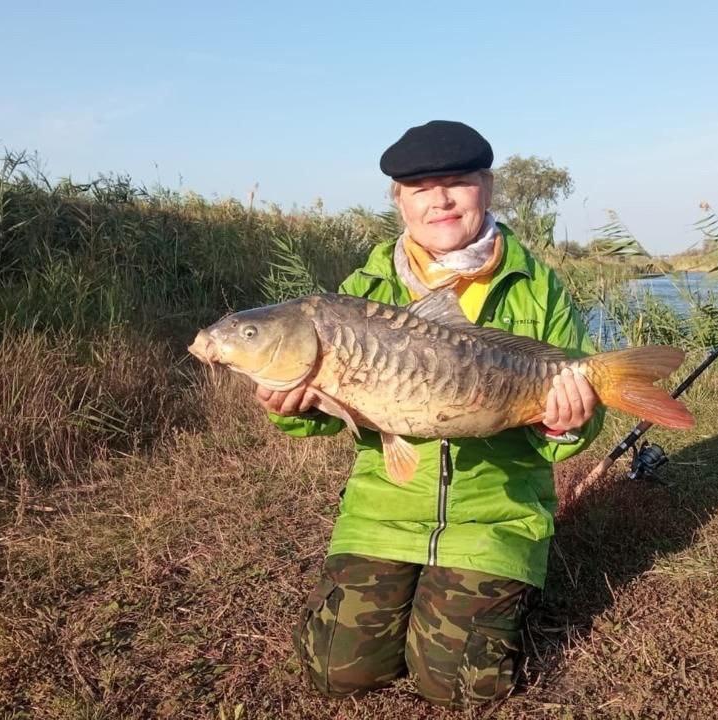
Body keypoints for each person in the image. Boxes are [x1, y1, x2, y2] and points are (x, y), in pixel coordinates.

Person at [255, 120, 603, 708]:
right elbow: (323, 415)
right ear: (399, 202)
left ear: (486, 189)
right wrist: (287, 407)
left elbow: (570, 434)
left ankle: (505, 580)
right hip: (383, 512)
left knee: (457, 686)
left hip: (494, 517)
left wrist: (566, 421)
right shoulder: (360, 292)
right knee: (337, 672)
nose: (439, 200)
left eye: (457, 183)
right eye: (420, 188)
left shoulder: (537, 288)